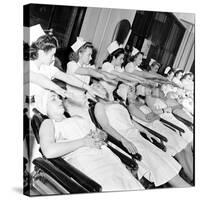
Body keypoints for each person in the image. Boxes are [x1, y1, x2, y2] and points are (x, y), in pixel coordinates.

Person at [35, 90, 144, 192]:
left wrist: (100, 135)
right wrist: (83, 142)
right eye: (53, 99)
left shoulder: (77, 118)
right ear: (44, 107)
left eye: (59, 97)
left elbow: (102, 134)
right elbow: (48, 151)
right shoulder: (49, 123)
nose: (59, 100)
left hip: (109, 160)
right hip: (90, 166)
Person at [92, 82, 191, 187]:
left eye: (102, 86)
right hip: (124, 139)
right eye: (97, 86)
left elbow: (131, 122)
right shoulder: (99, 106)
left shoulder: (115, 103)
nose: (102, 87)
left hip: (136, 136)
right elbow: (106, 126)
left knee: (165, 160)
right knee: (160, 165)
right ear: (92, 91)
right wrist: (124, 140)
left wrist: (146, 131)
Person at [24, 24, 102, 103]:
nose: (53, 58)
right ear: (41, 53)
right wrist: (59, 89)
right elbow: (37, 78)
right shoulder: (27, 66)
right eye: (51, 55)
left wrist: (88, 87)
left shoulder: (47, 68)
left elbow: (67, 77)